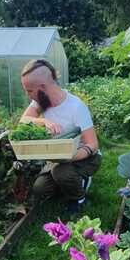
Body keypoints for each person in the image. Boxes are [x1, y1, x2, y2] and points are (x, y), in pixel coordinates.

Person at [19, 58, 101, 210]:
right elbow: (23, 120)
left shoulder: (76, 107)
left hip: (85, 157)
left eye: (29, 90)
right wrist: (44, 122)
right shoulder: (40, 101)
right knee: (40, 188)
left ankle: (79, 197)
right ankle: (68, 184)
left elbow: (93, 144)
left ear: (42, 87)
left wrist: (69, 156)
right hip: (59, 157)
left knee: (61, 173)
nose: (27, 95)